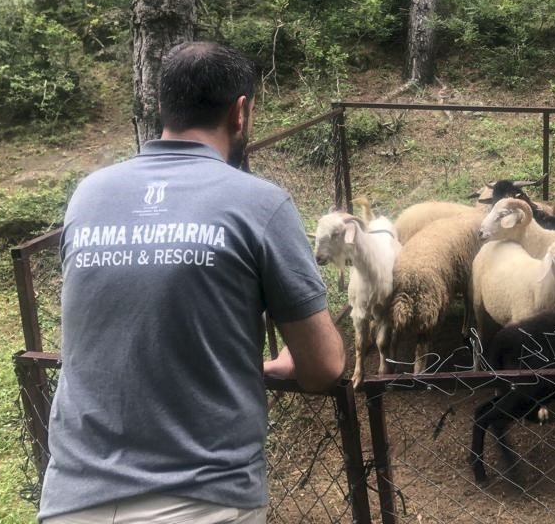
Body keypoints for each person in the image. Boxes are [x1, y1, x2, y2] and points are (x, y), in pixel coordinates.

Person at [38, 41, 346, 523]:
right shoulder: (258, 203)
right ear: (240, 112)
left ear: (162, 105)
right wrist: (289, 363)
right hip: (202, 496)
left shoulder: (90, 195)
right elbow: (324, 366)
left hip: (73, 496)